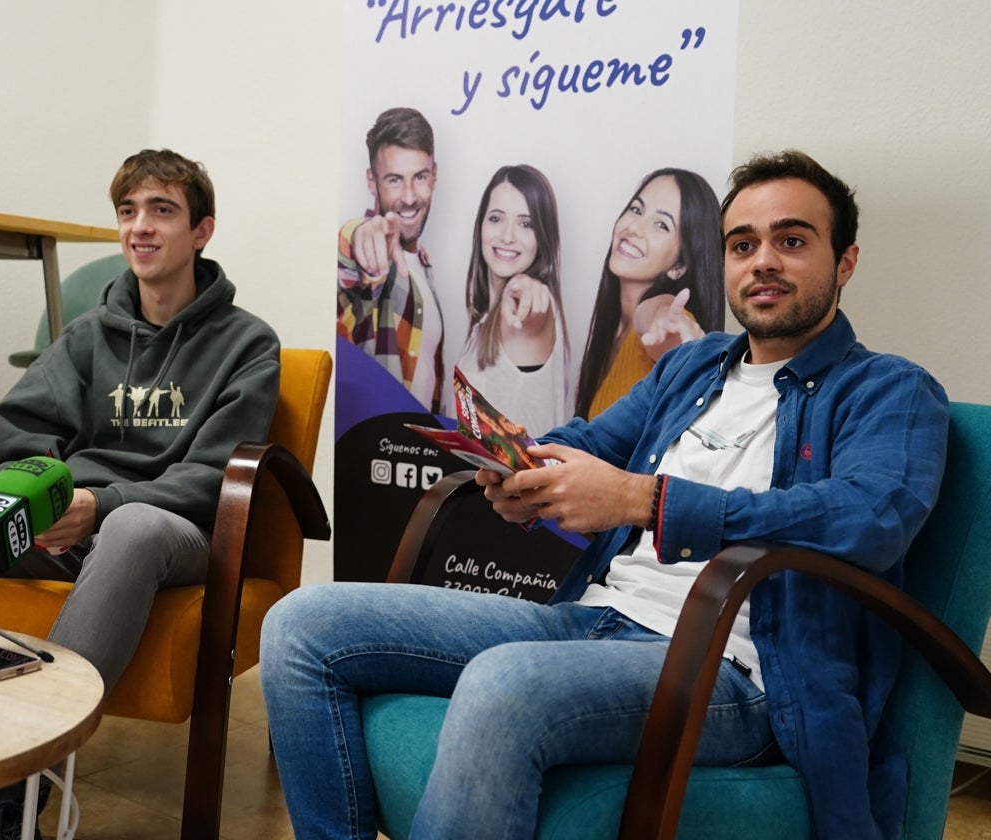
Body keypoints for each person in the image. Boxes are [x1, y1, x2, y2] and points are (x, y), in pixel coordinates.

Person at [261, 150, 949, 840]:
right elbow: (595, 441)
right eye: (743, 245)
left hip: (739, 674)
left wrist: (647, 502)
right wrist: (519, 468)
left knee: (505, 685)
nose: (762, 261)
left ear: (845, 261)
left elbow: (870, 518)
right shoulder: (693, 364)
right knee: (301, 625)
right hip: (590, 619)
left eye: (791, 241)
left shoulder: (890, 389)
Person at [0, 148, 281, 840]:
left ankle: (22, 789)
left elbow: (215, 473)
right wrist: (44, 499)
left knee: (135, 529)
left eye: (162, 210)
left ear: (202, 231)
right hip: (61, 525)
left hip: (170, 533)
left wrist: (104, 504)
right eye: (128, 212)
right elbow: (23, 427)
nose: (140, 228)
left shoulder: (248, 344)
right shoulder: (88, 334)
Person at [573, 167, 725, 419]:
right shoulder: (614, 328)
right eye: (636, 209)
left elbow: (655, 313)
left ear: (679, 266)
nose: (634, 227)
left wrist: (665, 316)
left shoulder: (658, 326)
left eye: (661, 225)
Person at [337, 106, 445, 414]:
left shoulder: (423, 264)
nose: (410, 197)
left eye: (420, 177)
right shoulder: (367, 247)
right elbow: (351, 254)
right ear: (372, 182)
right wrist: (360, 235)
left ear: (434, 175)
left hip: (417, 454)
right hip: (370, 450)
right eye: (394, 180)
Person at [455, 164, 570, 437]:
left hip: (521, 481)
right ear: (480, 226)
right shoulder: (484, 320)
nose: (507, 236)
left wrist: (524, 288)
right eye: (496, 219)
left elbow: (529, 304)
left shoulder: (527, 311)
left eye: (525, 224)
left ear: (542, 237)